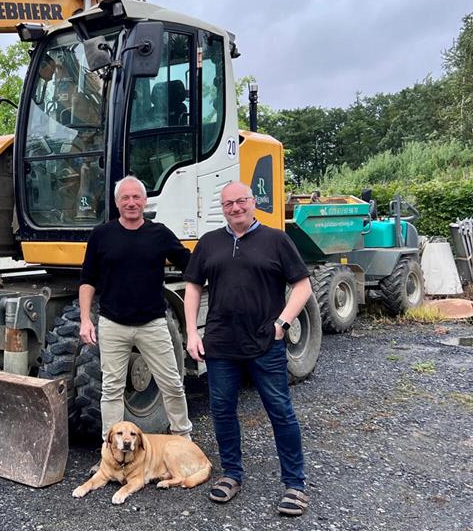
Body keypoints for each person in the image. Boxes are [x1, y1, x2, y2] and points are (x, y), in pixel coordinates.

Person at [183, 181, 313, 517]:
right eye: (229, 203)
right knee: (222, 411)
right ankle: (232, 475)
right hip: (221, 344)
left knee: (280, 411)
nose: (236, 208)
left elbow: (302, 285)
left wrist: (282, 324)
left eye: (241, 201)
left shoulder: (276, 240)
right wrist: (191, 333)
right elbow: (193, 287)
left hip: (264, 344)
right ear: (222, 208)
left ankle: (294, 484)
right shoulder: (209, 243)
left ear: (253, 202)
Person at [79, 176, 193, 443]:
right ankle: (112, 449)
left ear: (145, 200)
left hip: (153, 324)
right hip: (112, 325)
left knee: (173, 385)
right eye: (125, 198)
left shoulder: (160, 234)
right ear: (117, 203)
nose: (131, 203)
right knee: (111, 390)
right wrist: (85, 319)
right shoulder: (101, 235)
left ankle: (183, 439)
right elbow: (87, 280)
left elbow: (190, 264)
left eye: (136, 197)